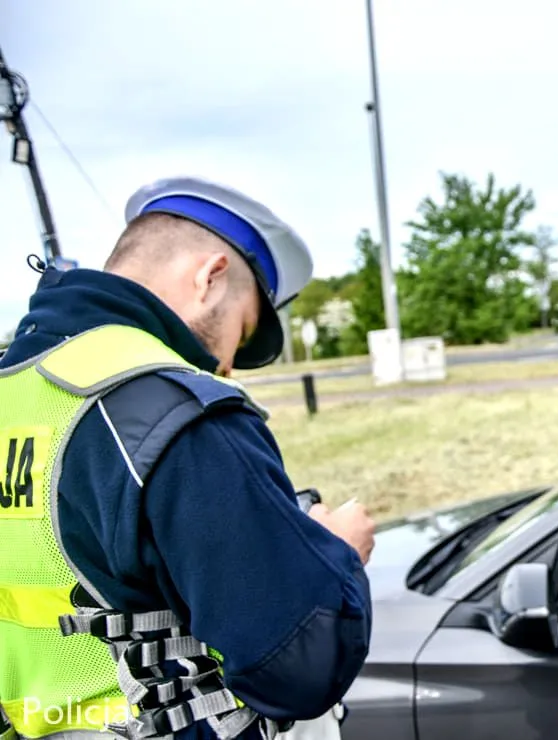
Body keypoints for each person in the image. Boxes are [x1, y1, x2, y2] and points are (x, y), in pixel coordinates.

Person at [0, 177, 376, 740]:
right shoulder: (169, 406)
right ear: (210, 277)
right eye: (241, 331)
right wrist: (340, 556)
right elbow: (299, 667)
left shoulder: (17, 388)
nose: (224, 366)